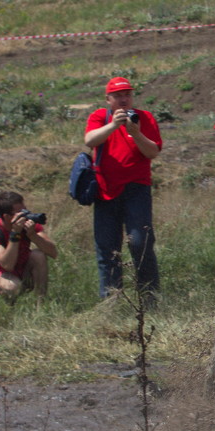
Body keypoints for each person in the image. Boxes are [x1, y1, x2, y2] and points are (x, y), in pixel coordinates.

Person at [84, 77, 162, 304]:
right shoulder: (100, 117)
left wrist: (135, 132)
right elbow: (90, 140)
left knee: (140, 242)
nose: (123, 99)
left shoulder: (144, 118)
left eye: (127, 94)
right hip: (106, 191)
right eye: (117, 96)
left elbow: (152, 152)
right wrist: (113, 125)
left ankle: (149, 297)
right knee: (107, 248)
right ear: (108, 99)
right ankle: (111, 300)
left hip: (136, 190)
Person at [0, 190, 58, 303]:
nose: (25, 215)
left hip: (25, 268)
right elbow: (8, 265)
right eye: (20, 212)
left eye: (25, 210)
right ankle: (12, 307)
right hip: (5, 274)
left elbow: (53, 253)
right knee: (11, 287)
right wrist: (15, 234)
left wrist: (32, 235)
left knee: (38, 255)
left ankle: (41, 302)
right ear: (7, 217)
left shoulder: (29, 224)